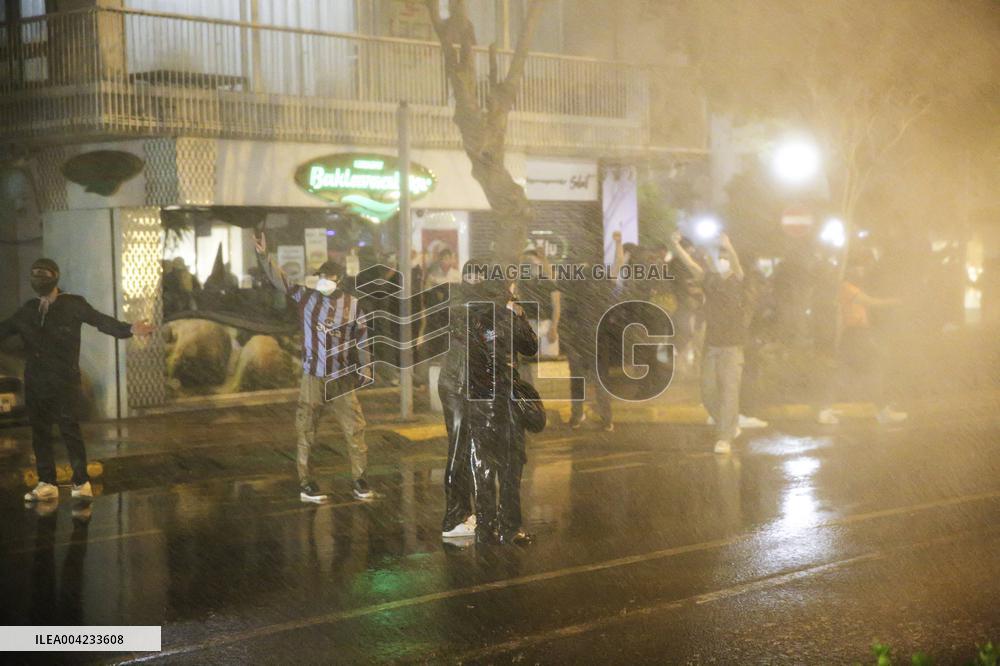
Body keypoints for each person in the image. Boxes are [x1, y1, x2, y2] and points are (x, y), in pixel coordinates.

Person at [1, 258, 154, 503]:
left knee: (69, 430)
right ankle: (46, 482)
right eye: (34, 274)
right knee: (40, 434)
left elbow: (100, 320)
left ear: (55, 277)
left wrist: (129, 329)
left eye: (43, 274)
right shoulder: (28, 309)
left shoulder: (72, 304)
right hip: (36, 382)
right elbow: (5, 329)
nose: (37, 278)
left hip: (64, 380)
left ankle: (81, 482)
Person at [254, 232, 378, 503]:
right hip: (313, 376)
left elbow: (363, 339)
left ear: (339, 282)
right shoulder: (306, 298)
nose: (323, 283)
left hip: (342, 379)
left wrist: (366, 369)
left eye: (328, 279)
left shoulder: (353, 306)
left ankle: (359, 479)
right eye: (320, 277)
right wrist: (264, 256)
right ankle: (306, 483)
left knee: (355, 429)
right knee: (306, 429)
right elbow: (281, 281)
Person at [465, 271, 538, 544]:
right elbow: (528, 347)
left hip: (482, 397)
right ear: (507, 288)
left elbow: (528, 347)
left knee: (487, 464)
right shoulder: (495, 315)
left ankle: (488, 525)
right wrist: (515, 317)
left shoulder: (477, 313)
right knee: (508, 464)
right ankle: (507, 526)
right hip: (499, 399)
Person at [671, 232, 755, 454]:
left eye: (725, 259)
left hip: (733, 345)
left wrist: (729, 245)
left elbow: (737, 265)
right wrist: (675, 245)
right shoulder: (709, 279)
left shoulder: (736, 280)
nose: (723, 262)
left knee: (729, 390)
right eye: (721, 259)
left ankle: (725, 437)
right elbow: (690, 264)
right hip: (712, 345)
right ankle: (729, 424)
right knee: (708, 392)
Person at [817, 258, 907, 426]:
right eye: (858, 268)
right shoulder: (847, 288)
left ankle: (880, 410)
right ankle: (825, 409)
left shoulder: (851, 288)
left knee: (867, 370)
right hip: (855, 336)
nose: (861, 271)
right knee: (853, 372)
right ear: (849, 271)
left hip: (858, 335)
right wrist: (895, 302)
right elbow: (870, 302)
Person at [561, 264, 614, 431]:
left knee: (578, 380)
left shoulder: (574, 293)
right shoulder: (603, 293)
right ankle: (606, 419)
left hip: (579, 342)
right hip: (597, 342)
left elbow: (567, 317)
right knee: (600, 381)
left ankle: (577, 416)